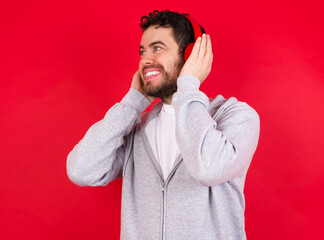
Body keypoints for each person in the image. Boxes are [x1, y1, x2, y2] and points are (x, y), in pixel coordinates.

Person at [67, 9, 260, 240]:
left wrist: (189, 85)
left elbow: (208, 168)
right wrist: (132, 103)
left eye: (157, 48)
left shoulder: (235, 116)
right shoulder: (138, 129)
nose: (146, 59)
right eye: (142, 51)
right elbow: (81, 170)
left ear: (190, 55)